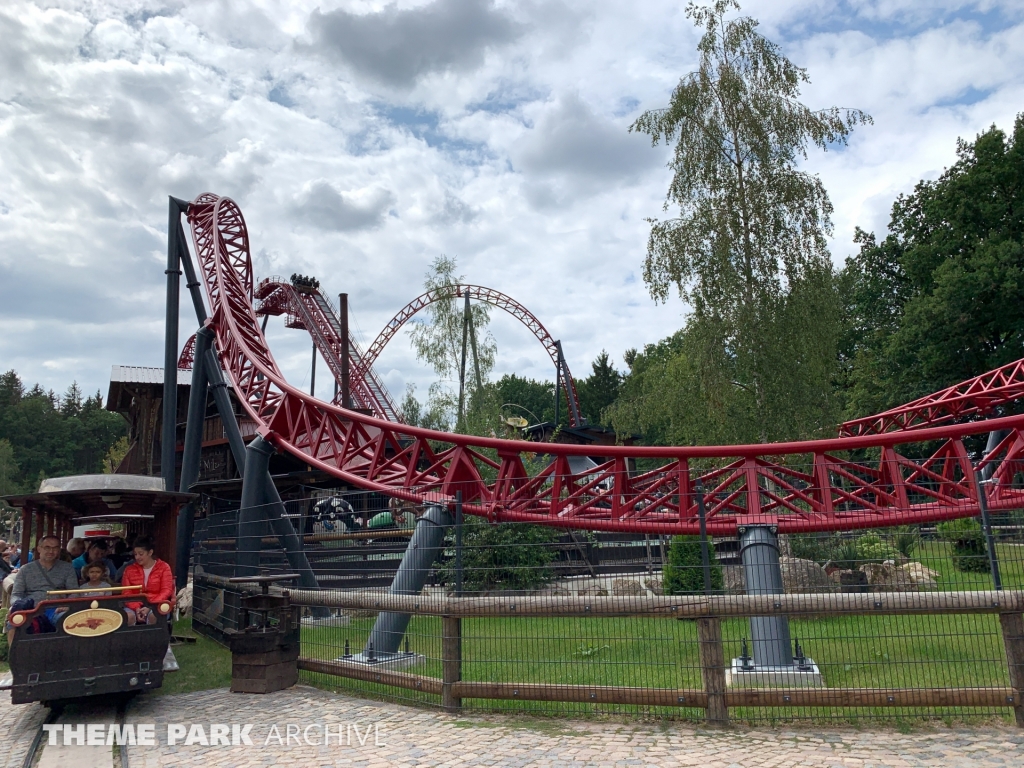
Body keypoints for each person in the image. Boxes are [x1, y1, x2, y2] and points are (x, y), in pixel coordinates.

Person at [7, 535, 78, 644]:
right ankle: (15, 657)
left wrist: (67, 605)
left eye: (55, 548)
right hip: (31, 608)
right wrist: (18, 606)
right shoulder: (25, 569)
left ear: (59, 550)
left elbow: (74, 591)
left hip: (56, 608)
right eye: (47, 547)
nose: (51, 551)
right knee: (13, 623)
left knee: (69, 620)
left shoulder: (67, 568)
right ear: (39, 549)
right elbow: (16, 594)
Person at [120, 536, 173, 626]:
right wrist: (136, 608)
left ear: (150, 552)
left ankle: (153, 640)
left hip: (156, 604)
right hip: (133, 605)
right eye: (135, 554)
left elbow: (166, 590)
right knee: (128, 617)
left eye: (141, 554)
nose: (137, 557)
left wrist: (150, 606)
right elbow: (126, 592)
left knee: (154, 617)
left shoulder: (164, 567)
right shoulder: (129, 569)